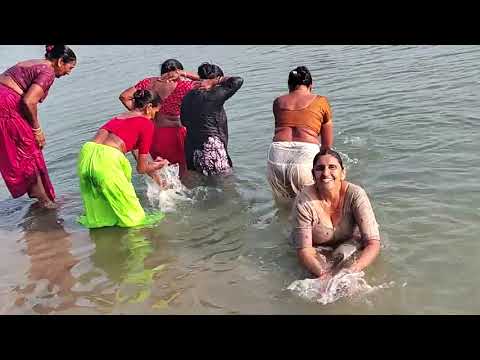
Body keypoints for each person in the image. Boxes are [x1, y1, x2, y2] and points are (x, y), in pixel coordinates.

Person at [77, 90, 168, 229]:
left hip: (87, 154)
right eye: (156, 111)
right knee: (134, 218)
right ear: (149, 107)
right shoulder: (146, 124)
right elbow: (142, 168)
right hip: (108, 159)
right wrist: (160, 165)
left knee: (99, 212)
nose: (155, 116)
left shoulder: (119, 117)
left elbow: (137, 153)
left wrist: (156, 175)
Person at [0, 45, 77, 208]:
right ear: (60, 61)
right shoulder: (48, 71)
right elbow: (29, 101)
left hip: (5, 102)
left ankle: (44, 198)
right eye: (69, 68)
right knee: (28, 151)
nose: (69, 73)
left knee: (24, 151)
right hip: (6, 105)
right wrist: (37, 129)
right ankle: (45, 201)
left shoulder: (35, 63)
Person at [291, 149, 380, 279]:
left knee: (350, 283)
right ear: (313, 175)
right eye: (320, 168)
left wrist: (352, 271)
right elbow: (304, 250)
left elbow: (373, 243)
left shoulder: (356, 194)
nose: (326, 173)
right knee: (317, 288)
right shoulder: (304, 201)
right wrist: (322, 274)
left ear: (343, 173)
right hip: (316, 248)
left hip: (349, 243)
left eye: (332, 167)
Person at [119, 59, 202, 177]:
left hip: (153, 134)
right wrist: (185, 74)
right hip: (174, 134)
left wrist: (141, 113)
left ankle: (164, 191)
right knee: (183, 171)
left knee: (162, 169)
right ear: (178, 72)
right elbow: (207, 81)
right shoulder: (184, 85)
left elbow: (124, 96)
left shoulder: (148, 82)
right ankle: (184, 194)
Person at [267, 66, 333, 206]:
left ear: (289, 86)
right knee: (314, 209)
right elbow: (326, 146)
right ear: (311, 86)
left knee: (284, 210)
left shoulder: (278, 102)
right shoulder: (321, 101)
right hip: (305, 157)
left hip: (277, 156)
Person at [181, 63, 244, 176]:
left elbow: (183, 121)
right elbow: (238, 80)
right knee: (226, 184)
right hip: (211, 148)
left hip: (191, 149)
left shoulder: (188, 96)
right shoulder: (214, 94)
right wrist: (216, 81)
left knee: (202, 186)